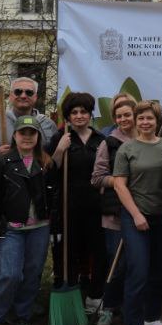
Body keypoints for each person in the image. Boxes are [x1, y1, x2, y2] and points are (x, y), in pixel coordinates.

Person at [0, 115, 56, 325]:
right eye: (22, 133)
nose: (27, 137)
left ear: (38, 137)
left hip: (40, 228)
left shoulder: (46, 162)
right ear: (15, 136)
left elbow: (53, 196)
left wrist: (56, 228)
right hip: (12, 229)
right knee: (10, 274)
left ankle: (23, 317)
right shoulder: (3, 162)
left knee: (32, 274)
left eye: (31, 133)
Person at [112, 100, 162, 325]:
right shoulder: (126, 149)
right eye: (141, 119)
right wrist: (137, 215)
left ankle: (152, 318)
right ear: (135, 122)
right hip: (135, 216)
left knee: (160, 270)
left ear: (157, 121)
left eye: (150, 118)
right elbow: (119, 185)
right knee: (138, 270)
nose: (145, 123)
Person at [51, 93, 106, 313]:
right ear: (68, 116)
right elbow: (51, 172)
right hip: (69, 206)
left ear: (90, 113)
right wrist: (59, 150)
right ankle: (71, 291)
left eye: (83, 111)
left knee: (99, 251)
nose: (79, 116)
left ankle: (95, 295)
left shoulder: (100, 140)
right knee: (68, 250)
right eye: (74, 112)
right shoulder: (61, 138)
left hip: (96, 206)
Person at [90, 96, 135, 325]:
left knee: (135, 264)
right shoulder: (108, 143)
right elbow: (97, 177)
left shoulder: (147, 139)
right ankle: (108, 308)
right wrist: (119, 182)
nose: (123, 119)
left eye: (128, 114)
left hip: (142, 213)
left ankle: (130, 308)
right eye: (119, 116)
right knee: (116, 264)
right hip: (115, 215)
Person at [0, 78, 58, 166]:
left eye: (29, 92)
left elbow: (56, 160)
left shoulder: (48, 124)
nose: (23, 96)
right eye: (18, 92)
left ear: (35, 97)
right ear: (10, 96)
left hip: (40, 178)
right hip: (3, 178)